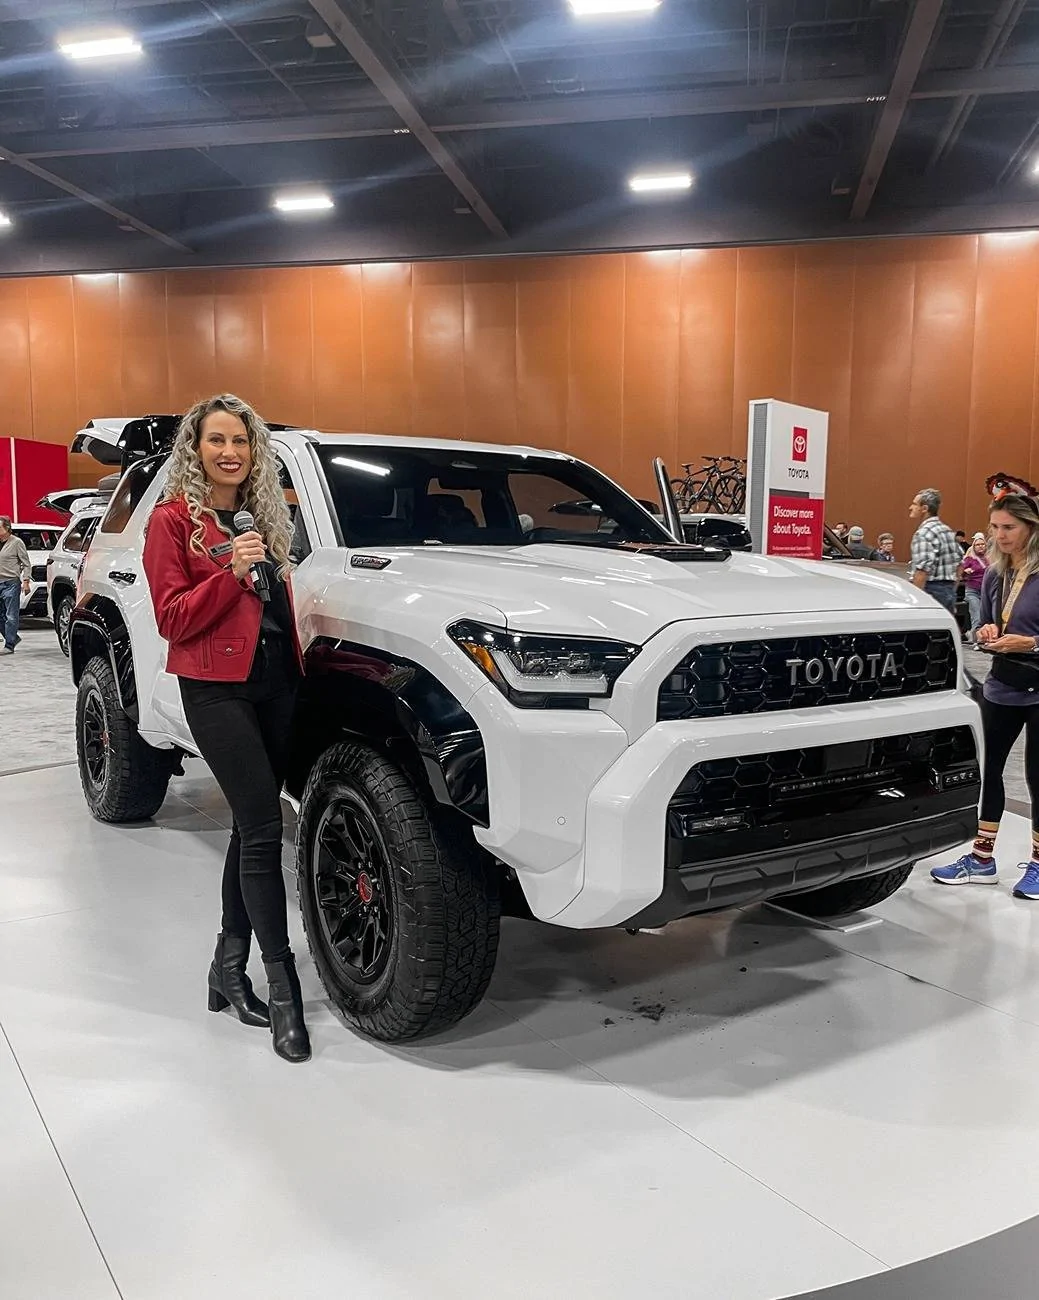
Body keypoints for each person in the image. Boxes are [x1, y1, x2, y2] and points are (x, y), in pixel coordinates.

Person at [142, 394, 311, 1063]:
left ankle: (226, 967)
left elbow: (275, 607)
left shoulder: (262, 516)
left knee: (249, 826)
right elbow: (173, 618)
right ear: (196, 448)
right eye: (215, 440)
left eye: (239, 441)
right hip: (215, 689)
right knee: (265, 827)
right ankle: (285, 993)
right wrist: (233, 575)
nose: (229, 452)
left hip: (275, 685)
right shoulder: (170, 520)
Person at [931, 494, 1039, 899]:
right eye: (995, 527)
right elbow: (986, 626)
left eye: (1009, 527)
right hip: (1001, 686)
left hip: (1038, 688)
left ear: (1030, 527)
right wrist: (985, 634)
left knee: (1036, 778)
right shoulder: (995, 574)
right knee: (987, 770)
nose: (1000, 535)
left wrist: (1029, 644)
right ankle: (981, 859)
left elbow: (1030, 639)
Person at [908, 488, 962, 615]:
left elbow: (922, 571)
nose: (911, 507)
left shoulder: (923, 534)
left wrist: (917, 602)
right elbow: (960, 565)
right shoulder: (947, 530)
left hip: (931, 591)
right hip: (948, 591)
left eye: (915, 504)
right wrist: (951, 591)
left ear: (925, 509)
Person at [0, 516, 31, 655]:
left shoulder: (17, 542)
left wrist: (25, 581)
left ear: (7, 528)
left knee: (11, 616)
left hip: (11, 583)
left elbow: (26, 563)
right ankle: (12, 637)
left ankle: (9, 645)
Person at [961, 532, 989, 643]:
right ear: (974, 546)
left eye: (983, 544)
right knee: (976, 616)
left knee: (986, 618)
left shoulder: (990, 559)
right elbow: (959, 574)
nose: (981, 546)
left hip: (986, 592)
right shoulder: (969, 559)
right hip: (973, 591)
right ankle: (976, 640)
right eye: (978, 544)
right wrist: (965, 572)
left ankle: (984, 638)